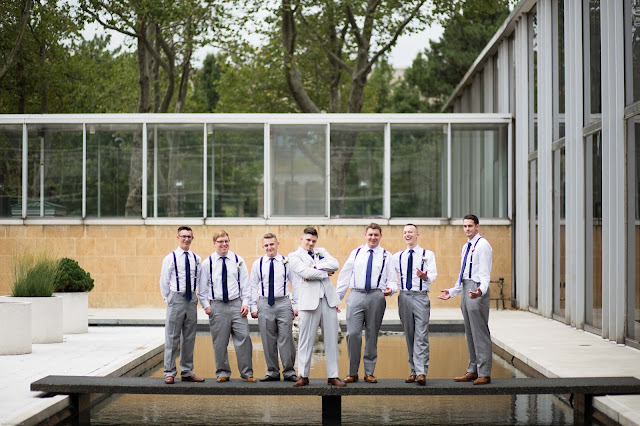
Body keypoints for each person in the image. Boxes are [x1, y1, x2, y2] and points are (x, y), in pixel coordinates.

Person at [336, 223, 397, 384]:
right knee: (353, 334)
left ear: (380, 236)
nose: (373, 237)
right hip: (356, 295)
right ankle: (352, 372)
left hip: (376, 296)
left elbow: (392, 280)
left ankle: (369, 372)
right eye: (370, 234)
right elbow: (344, 276)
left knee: (372, 334)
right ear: (365, 235)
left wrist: (391, 289)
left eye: (376, 235)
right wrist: (336, 299)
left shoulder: (386, 256)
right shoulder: (356, 253)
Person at [438, 214, 493, 385]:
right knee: (469, 332)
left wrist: (480, 291)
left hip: (476, 289)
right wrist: (453, 291)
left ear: (477, 226)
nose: (467, 229)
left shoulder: (483, 245)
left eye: (470, 226)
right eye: (465, 226)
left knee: (480, 332)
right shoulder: (466, 246)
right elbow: (463, 273)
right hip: (465, 287)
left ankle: (484, 373)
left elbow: (485, 274)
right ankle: (473, 370)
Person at [288, 227, 345, 387]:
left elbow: (335, 264)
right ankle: (303, 375)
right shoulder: (294, 256)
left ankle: (333, 376)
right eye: (308, 240)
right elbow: (304, 273)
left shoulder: (322, 251)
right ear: (302, 239)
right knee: (305, 339)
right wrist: (324, 273)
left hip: (328, 300)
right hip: (307, 302)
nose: (311, 243)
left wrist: (315, 269)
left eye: (313, 241)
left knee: (332, 338)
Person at [198, 230, 255, 383]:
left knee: (243, 338)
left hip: (236, 304)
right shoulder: (207, 263)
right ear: (214, 243)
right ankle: (222, 372)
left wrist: (245, 303)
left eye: (226, 241)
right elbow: (202, 288)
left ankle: (247, 373)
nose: (224, 244)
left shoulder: (238, 260)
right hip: (217, 306)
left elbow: (245, 284)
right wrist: (206, 306)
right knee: (220, 341)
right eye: (221, 241)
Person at [249, 233, 299, 382]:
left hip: (283, 302)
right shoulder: (258, 264)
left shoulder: (286, 262)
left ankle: (289, 371)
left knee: (286, 338)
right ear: (262, 246)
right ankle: (272, 371)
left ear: (278, 244)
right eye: (266, 245)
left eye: (272, 244)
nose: (269, 247)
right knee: (267, 338)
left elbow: (295, 284)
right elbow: (252, 286)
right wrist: (253, 307)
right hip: (264, 303)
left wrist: (295, 305)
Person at [159, 226, 205, 384]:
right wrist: (169, 299)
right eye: (183, 236)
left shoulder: (196, 258)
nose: (186, 239)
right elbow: (164, 281)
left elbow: (199, 280)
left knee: (189, 337)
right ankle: (169, 372)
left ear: (193, 238)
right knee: (172, 336)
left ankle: (186, 371)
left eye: (189, 236)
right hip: (176, 298)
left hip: (191, 299)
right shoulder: (170, 258)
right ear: (178, 238)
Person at [393, 224, 437, 386]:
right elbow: (390, 275)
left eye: (410, 232)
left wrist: (425, 277)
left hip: (420, 298)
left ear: (417, 235)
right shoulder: (397, 256)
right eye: (405, 232)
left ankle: (421, 372)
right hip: (404, 297)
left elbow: (433, 274)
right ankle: (413, 370)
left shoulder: (428, 254)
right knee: (409, 334)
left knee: (422, 335)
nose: (407, 234)